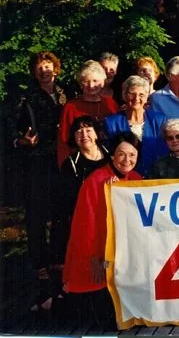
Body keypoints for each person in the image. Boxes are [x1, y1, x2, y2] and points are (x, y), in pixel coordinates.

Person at [7, 51, 67, 311]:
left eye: (49, 66)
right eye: (40, 67)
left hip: (62, 163)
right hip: (36, 163)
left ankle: (58, 267)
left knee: (61, 215)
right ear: (34, 71)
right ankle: (40, 269)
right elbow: (9, 125)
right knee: (36, 218)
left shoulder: (66, 94)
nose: (44, 71)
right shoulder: (24, 98)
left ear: (56, 69)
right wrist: (20, 140)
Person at [63, 133, 142, 326]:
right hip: (98, 255)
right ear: (112, 155)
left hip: (124, 258)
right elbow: (85, 224)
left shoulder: (137, 179)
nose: (127, 160)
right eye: (121, 154)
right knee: (91, 318)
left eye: (132, 155)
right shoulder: (96, 181)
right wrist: (95, 257)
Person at [51, 116, 110, 306]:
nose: (84, 135)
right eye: (78, 131)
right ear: (73, 137)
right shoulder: (71, 164)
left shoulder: (111, 155)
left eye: (88, 129)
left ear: (97, 133)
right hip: (87, 218)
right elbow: (68, 199)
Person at [57, 60, 119, 166]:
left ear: (103, 82)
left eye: (95, 81)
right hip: (80, 162)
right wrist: (65, 166)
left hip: (108, 161)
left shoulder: (111, 105)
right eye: (86, 81)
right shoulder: (71, 107)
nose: (91, 85)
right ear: (80, 84)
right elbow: (63, 140)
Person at [103, 75, 168, 177]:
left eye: (141, 94)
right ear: (124, 95)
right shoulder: (111, 123)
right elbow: (109, 155)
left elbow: (164, 151)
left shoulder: (159, 120)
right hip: (125, 178)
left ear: (147, 97)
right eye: (132, 94)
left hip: (156, 177)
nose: (136, 98)